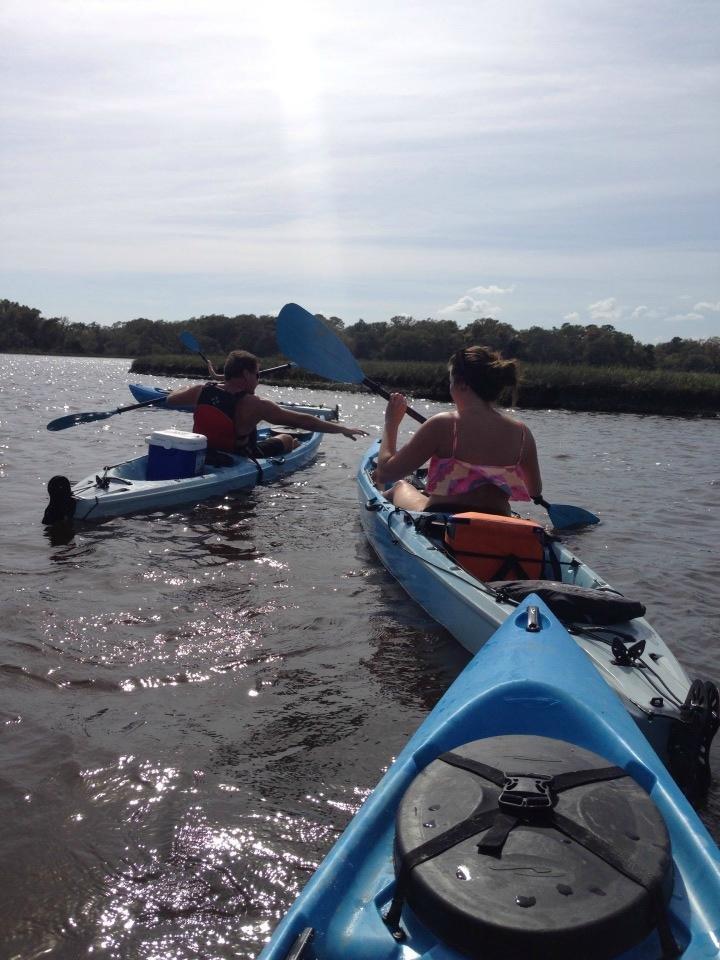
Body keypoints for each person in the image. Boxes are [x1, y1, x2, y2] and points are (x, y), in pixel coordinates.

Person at [374, 345, 542, 516]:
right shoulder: (522, 433)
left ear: (462, 384)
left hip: (444, 519)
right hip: (498, 518)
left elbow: (385, 474)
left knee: (400, 486)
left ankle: (377, 505)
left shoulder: (444, 424)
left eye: (451, 380)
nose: (450, 386)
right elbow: (534, 491)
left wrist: (391, 422)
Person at [166, 349, 368, 456]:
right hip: (238, 457)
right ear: (246, 374)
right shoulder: (256, 405)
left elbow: (170, 398)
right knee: (287, 438)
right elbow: (306, 422)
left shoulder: (200, 391)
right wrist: (341, 428)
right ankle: (293, 447)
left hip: (205, 452)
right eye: (257, 374)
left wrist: (197, 385)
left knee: (276, 437)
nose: (258, 379)